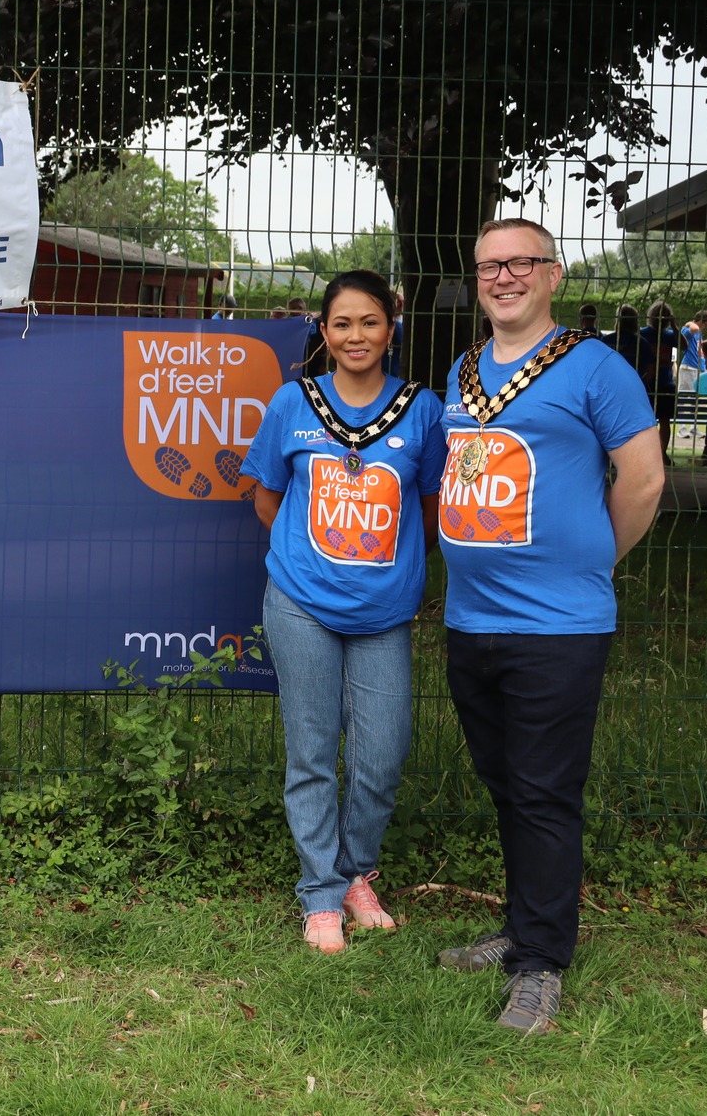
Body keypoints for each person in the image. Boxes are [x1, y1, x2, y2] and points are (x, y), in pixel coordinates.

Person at [434, 219, 665, 1033]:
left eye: (520, 262)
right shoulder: (463, 370)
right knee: (507, 784)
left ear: (554, 274)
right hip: (471, 618)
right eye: (488, 264)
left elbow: (642, 480)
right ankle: (524, 927)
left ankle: (541, 968)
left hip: (558, 626)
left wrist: (591, 560)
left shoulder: (598, 367)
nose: (503, 276)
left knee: (544, 792)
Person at [242, 270, 444, 955]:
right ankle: (321, 892)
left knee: (382, 753)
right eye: (342, 323)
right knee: (311, 750)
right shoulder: (292, 403)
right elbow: (268, 499)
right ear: (323, 333)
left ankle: (358, 870)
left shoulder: (422, 410)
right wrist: (310, 565)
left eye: (370, 321)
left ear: (391, 327)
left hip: (383, 611)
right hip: (301, 603)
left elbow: (425, 506)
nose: (356, 335)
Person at [637, 302, 680, 451]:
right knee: (647, 420)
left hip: (665, 382)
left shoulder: (669, 336)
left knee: (664, 419)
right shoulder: (643, 334)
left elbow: (684, 346)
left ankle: (662, 453)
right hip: (647, 381)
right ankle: (649, 452)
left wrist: (675, 327)